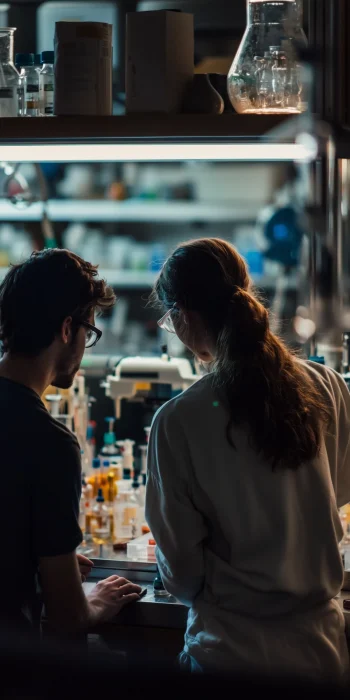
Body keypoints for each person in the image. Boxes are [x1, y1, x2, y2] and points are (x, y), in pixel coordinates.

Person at [146, 238, 350, 681]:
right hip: (322, 653)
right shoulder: (328, 385)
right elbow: (339, 490)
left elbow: (181, 574)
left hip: (228, 656)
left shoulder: (178, 420)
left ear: (182, 316)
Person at [0, 249, 141, 638]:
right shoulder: (49, 443)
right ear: (67, 329)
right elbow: (68, 616)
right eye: (89, 332)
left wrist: (38, 561)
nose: (84, 346)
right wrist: (99, 602)